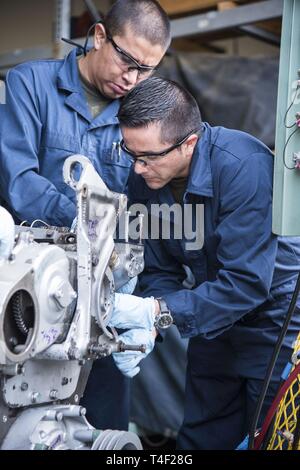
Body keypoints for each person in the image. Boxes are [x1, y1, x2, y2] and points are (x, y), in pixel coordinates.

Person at [0, 1, 170, 431]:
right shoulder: (30, 85)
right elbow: (17, 181)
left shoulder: (143, 117)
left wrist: (143, 314)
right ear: (97, 36)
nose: (132, 78)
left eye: (146, 70)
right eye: (126, 60)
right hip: (28, 297)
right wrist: (90, 219)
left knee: (102, 431)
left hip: (102, 306)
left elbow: (145, 218)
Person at [107, 76, 300, 449]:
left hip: (274, 322)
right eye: (131, 154)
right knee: (200, 436)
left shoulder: (243, 166)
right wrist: (150, 328)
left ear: (189, 143)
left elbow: (247, 283)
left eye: (147, 157)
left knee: (270, 434)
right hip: (214, 318)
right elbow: (159, 268)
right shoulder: (145, 181)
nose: (137, 169)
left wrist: (156, 312)